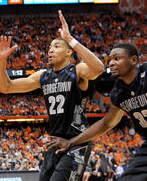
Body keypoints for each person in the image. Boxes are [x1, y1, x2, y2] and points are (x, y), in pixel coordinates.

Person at [0, 10, 104, 181]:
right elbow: (6, 87)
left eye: (56, 46)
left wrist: (71, 40)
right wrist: (1, 60)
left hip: (77, 142)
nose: (50, 50)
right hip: (54, 143)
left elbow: (99, 68)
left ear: (69, 52)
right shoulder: (43, 76)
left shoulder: (77, 71)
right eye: (49, 47)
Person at [45, 42, 147, 181]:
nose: (111, 63)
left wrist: (71, 40)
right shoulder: (118, 92)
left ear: (134, 60)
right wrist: (71, 142)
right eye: (110, 59)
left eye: (117, 58)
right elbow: (106, 123)